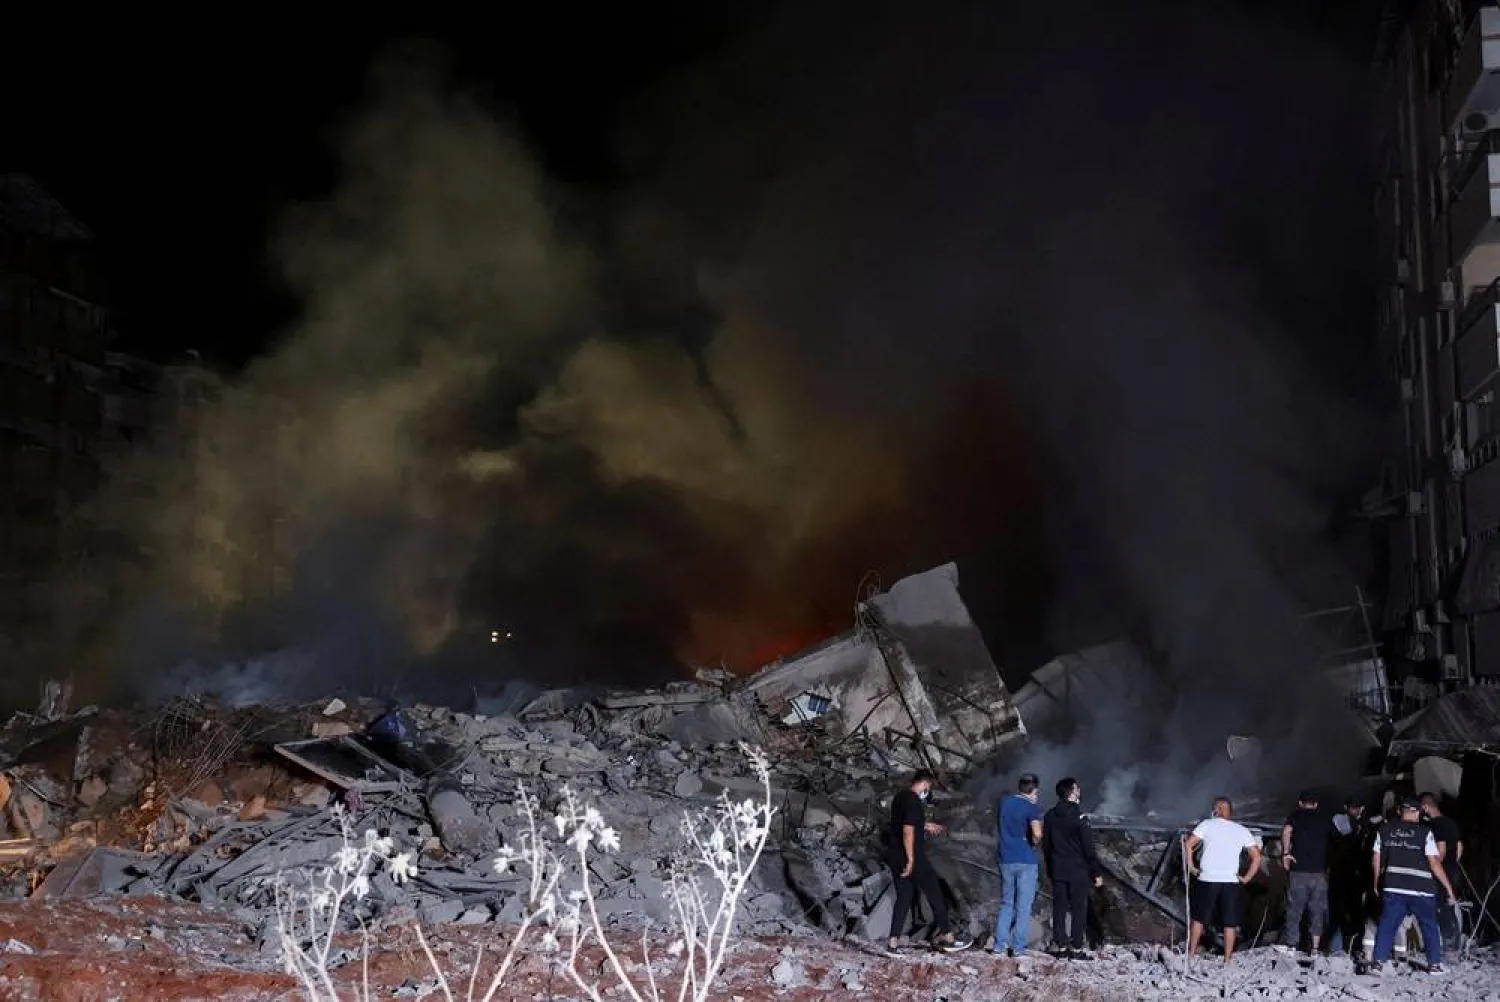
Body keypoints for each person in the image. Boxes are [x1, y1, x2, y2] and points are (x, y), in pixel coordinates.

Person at [1368, 797, 1457, 975]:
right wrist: (1448, 888)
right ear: (1417, 813)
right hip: (1421, 888)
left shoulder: (1384, 830)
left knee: (1387, 925)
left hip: (1393, 886)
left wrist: (1376, 881)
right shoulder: (1425, 833)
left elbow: (1376, 858)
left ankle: (1377, 963)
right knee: (1429, 926)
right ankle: (1434, 965)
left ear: (1401, 811)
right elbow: (1434, 862)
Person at [885, 770, 971, 954]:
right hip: (912, 857)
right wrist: (911, 860)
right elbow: (908, 830)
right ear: (925, 784)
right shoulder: (914, 801)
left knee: (904, 898)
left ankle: (892, 943)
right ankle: (947, 937)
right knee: (935, 893)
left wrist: (925, 825)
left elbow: (903, 822)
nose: (928, 790)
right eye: (928, 787)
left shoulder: (899, 797)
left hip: (894, 856)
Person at [1184, 796, 1263, 964]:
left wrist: (1191, 866)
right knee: (1230, 922)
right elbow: (1256, 856)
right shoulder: (1241, 830)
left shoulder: (1206, 824)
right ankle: (1227, 960)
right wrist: (1247, 878)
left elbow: (1188, 844)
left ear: (1215, 810)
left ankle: (1190, 955)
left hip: (1207, 878)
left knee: (1198, 919)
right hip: (1231, 882)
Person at [1042, 777, 1104, 959]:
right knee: (1078, 908)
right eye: (1076, 788)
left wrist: (1049, 868)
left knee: (1059, 908)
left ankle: (1061, 946)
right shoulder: (1080, 818)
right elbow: (1089, 849)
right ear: (1071, 793)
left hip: (1058, 869)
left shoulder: (1050, 816)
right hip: (1078, 871)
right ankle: (1077, 947)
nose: (1079, 791)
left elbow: (1046, 845)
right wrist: (1095, 872)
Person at [993, 773, 1044, 957]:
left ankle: (999, 945)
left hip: (1006, 858)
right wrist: (1035, 840)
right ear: (1035, 789)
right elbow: (1037, 833)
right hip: (1026, 860)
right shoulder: (1031, 807)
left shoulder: (1004, 802)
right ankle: (1018, 947)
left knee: (1006, 902)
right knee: (1023, 905)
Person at [1277, 790, 1332, 955]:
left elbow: (1286, 831)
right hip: (1319, 872)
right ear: (1316, 804)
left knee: (1294, 909)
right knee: (1317, 911)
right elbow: (1336, 837)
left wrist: (1286, 852)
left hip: (1299, 870)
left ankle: (1291, 946)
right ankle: (1315, 949)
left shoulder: (1295, 816)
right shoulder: (1325, 818)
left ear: (1300, 803)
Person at [1419, 793, 1464, 951]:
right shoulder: (1451, 823)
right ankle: (1454, 944)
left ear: (1425, 807)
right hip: (1454, 871)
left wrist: (1434, 867)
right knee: (1450, 907)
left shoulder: (1435, 825)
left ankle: (1448, 947)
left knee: (1441, 909)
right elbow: (1459, 847)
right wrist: (1453, 864)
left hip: (1441, 873)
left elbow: (1441, 849)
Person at [1328, 797, 1370, 956]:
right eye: (1353, 807)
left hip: (1356, 877)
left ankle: (1356, 947)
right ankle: (1336, 948)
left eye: (1358, 807)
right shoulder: (1340, 820)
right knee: (1338, 912)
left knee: (1356, 913)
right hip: (1341, 874)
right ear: (1346, 807)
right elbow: (1342, 842)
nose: (1356, 810)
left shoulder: (1364, 824)